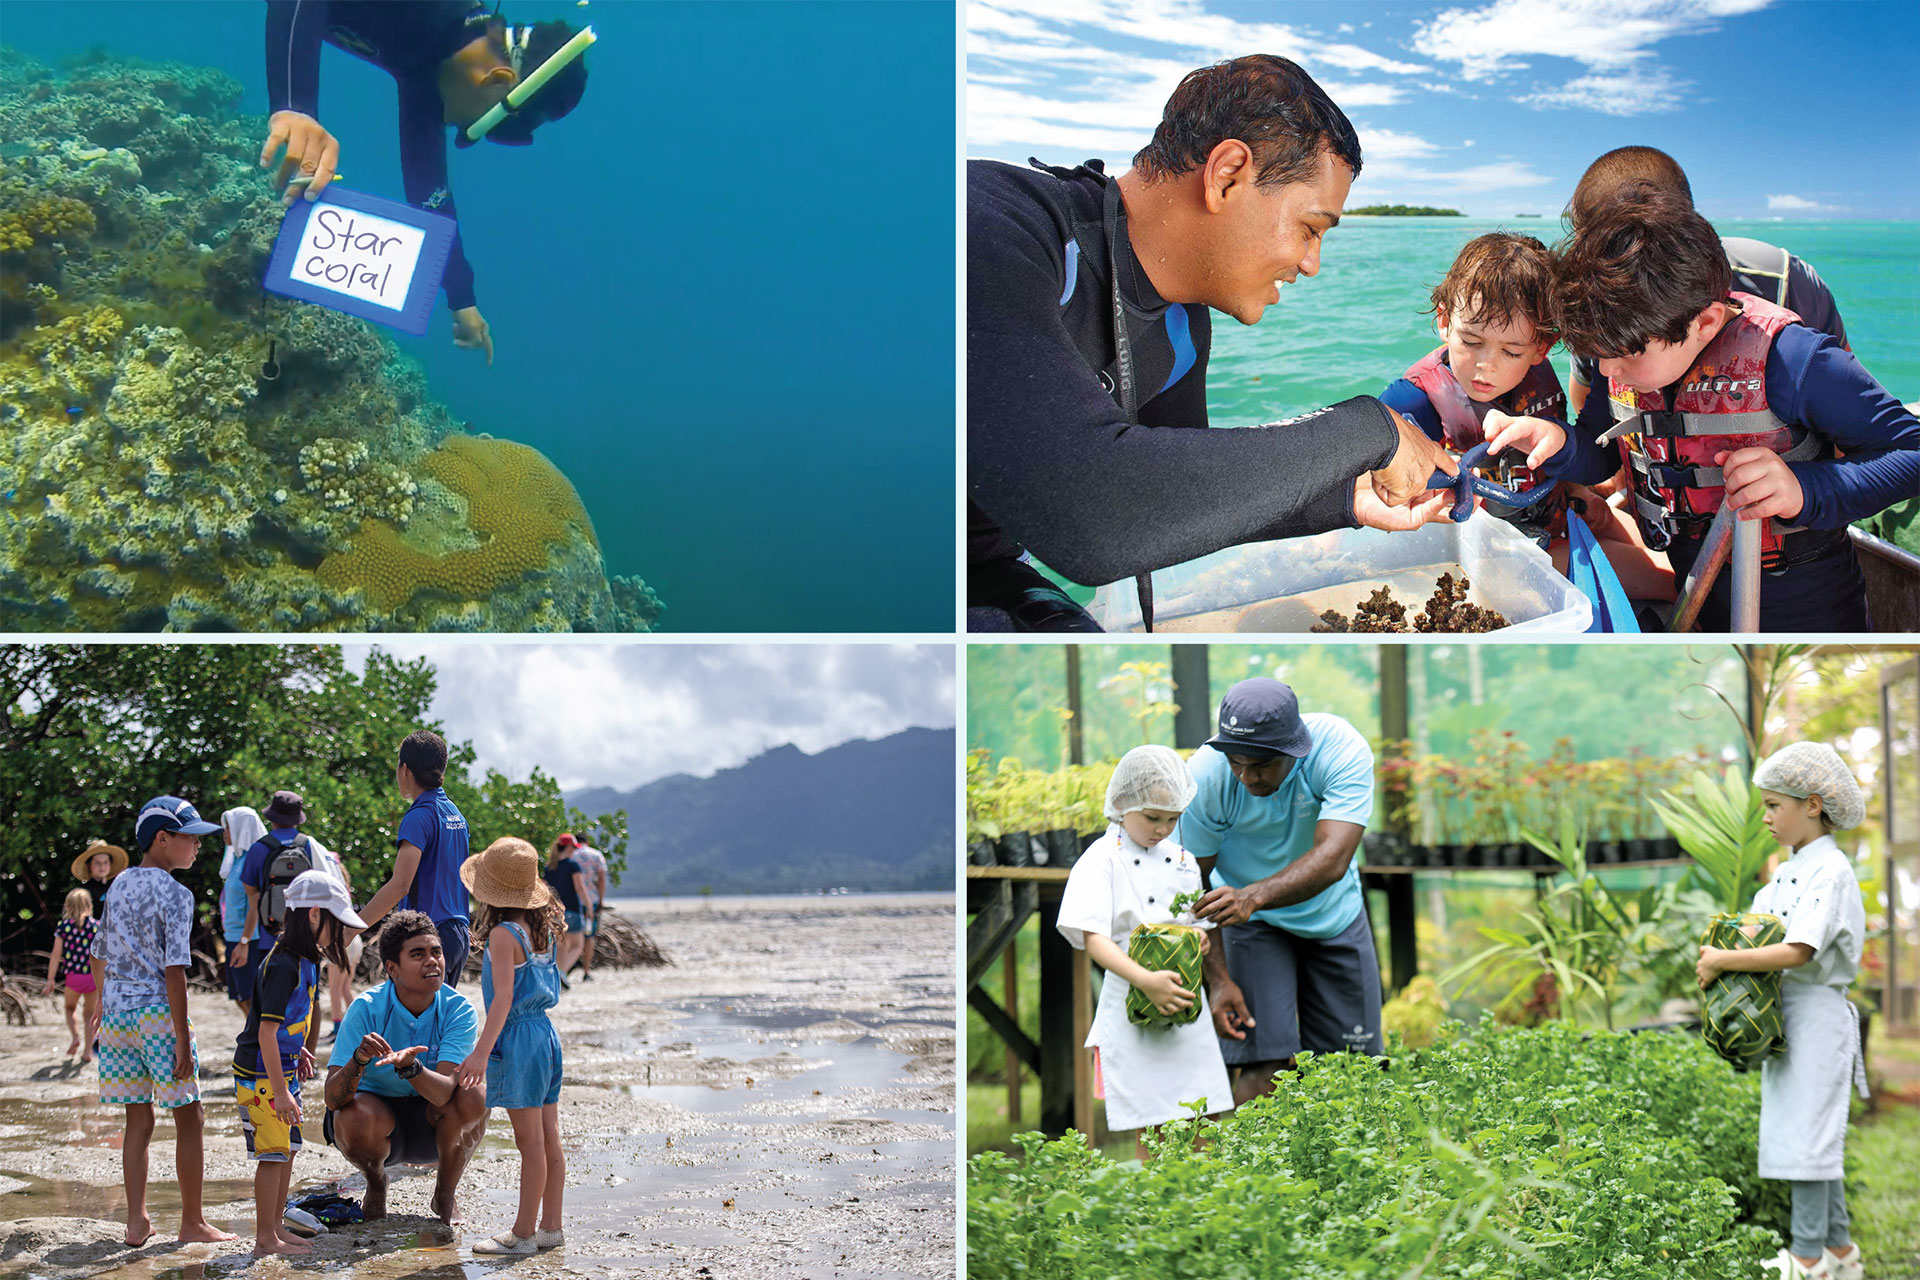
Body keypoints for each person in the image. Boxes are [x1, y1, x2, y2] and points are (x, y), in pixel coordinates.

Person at [967, 54, 1458, 631]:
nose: (1311, 263)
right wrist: (1366, 429)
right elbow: (1092, 518)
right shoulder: (987, 221)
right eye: (1309, 228)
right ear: (1227, 174)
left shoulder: (1182, 326)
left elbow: (1173, 507)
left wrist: (1344, 501)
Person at [1536, 184, 1920, 631]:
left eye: (1623, 353)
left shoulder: (1792, 360)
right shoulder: (1624, 354)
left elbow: (1910, 452)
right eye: (1595, 353)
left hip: (1804, 610)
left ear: (1707, 321)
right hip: (1695, 597)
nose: (1606, 370)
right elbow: (1601, 452)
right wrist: (1558, 442)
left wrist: (1803, 488)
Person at [261, 1, 593, 366]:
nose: (459, 130)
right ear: (498, 80)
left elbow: (428, 191)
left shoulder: (429, 70)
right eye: (480, 126)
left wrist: (461, 295)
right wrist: (295, 104)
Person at [1378, 231, 1673, 599]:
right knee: (1667, 582)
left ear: (1541, 347)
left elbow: (1578, 450)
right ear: (1444, 320)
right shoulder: (1417, 399)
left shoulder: (1538, 375)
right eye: (1470, 342)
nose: (1485, 365)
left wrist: (1578, 488)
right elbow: (1364, 466)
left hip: (1555, 512)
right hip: (1505, 558)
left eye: (1512, 352)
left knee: (1667, 556)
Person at [1696, 743, 1869, 1280]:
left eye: (1774, 805)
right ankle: (1840, 1252)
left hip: (1816, 1016)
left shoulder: (1831, 872)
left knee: (1808, 1141)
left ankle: (1809, 1257)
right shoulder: (1790, 872)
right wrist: (1726, 942)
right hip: (1787, 1016)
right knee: (1804, 1134)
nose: (1766, 818)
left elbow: (1798, 951)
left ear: (1812, 804)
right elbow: (1759, 926)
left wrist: (1723, 959)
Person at [1182, 679, 1383, 1104]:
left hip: (1333, 916)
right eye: (1236, 763)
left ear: (1296, 749)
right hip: (1249, 925)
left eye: (1261, 765)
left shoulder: (1339, 749)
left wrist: (1252, 895)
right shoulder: (1205, 776)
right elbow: (1191, 883)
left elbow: (1333, 859)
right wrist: (1217, 980)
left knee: (1352, 1068)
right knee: (1262, 1066)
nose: (1246, 776)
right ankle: (1254, 1172)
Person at [1562, 146, 1850, 425]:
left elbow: (1842, 402)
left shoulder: (1780, 279)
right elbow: (1588, 398)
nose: (1603, 270)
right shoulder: (1589, 292)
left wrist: (1804, 475)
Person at [1054, 746, 1231, 1156]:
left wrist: (1197, 941)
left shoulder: (1184, 861)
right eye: (1153, 817)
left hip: (1186, 1001)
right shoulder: (1100, 860)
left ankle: (1205, 1206)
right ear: (1120, 804)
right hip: (1133, 998)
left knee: (1203, 1113)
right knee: (1153, 1121)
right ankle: (1158, 1211)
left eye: (1172, 819)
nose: (1162, 829)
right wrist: (1146, 980)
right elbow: (1093, 937)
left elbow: (1193, 925)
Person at [91, 796, 237, 1248]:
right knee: (189, 1115)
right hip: (157, 1014)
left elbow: (98, 953)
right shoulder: (177, 893)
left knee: (139, 1119)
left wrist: (101, 1005)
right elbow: (176, 968)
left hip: (117, 1015)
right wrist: (180, 1036)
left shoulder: (116, 885)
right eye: (190, 837)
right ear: (162, 838)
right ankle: (191, 1221)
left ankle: (136, 1222)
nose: (197, 846)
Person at [323, 910, 486, 1222]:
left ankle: (445, 1194)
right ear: (392, 969)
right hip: (378, 1121)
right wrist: (358, 1061)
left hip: (431, 1121)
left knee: (474, 1093)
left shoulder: (458, 1010)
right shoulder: (366, 1009)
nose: (432, 961)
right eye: (418, 954)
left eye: (436, 952)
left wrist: (411, 1068)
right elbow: (332, 1100)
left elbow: (443, 1094)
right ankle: (376, 1182)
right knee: (352, 1115)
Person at [233, 870, 364, 1257]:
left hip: (280, 1068)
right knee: (272, 1155)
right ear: (312, 914)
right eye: (334, 921)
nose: (336, 932)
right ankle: (263, 1239)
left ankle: (275, 1226)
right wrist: (279, 1091)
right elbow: (265, 1033)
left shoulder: (306, 959)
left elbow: (283, 1027)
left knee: (288, 1150)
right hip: (261, 1075)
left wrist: (299, 1050)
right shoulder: (283, 964)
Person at [457, 838, 568, 1254]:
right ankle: (551, 1228)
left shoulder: (505, 935)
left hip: (520, 1036)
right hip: (545, 1035)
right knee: (549, 1137)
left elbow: (502, 999)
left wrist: (481, 1052)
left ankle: (522, 1234)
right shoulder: (543, 931)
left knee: (531, 1144)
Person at [362, 730, 474, 986]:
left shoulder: (418, 817)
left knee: (414, 1024)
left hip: (428, 939)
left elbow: (400, 886)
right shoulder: (455, 814)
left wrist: (351, 928)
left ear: (404, 770)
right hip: (458, 934)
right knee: (436, 1023)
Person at [42, 887, 101, 1062]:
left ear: (67, 906)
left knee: (69, 1009)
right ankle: (87, 1051)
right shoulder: (97, 926)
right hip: (92, 977)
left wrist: (50, 979)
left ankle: (75, 1037)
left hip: (73, 977)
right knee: (90, 1015)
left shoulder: (63, 927)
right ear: (89, 906)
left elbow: (55, 954)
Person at [220, 807, 267, 1015]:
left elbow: (254, 902)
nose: (224, 833)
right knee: (240, 997)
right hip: (233, 935)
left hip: (246, 938)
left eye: (228, 827)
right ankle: (256, 1041)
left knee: (249, 997)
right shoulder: (237, 858)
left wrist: (245, 942)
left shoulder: (252, 860)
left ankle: (259, 1043)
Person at [543, 835, 592, 980]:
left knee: (561, 946)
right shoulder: (572, 865)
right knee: (577, 946)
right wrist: (589, 907)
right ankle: (561, 974)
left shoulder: (549, 867)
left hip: (555, 912)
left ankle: (557, 973)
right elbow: (580, 888)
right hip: (572, 909)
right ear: (569, 847)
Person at [568, 834, 609, 981]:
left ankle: (564, 969)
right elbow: (602, 879)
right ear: (587, 841)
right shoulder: (596, 855)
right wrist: (601, 900)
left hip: (572, 901)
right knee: (589, 936)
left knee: (568, 936)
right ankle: (586, 971)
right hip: (592, 900)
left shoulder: (571, 855)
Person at [73, 839, 127, 915]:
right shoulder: (84, 891)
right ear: (89, 865)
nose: (102, 866)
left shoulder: (117, 887)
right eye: (97, 863)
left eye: (105, 862)